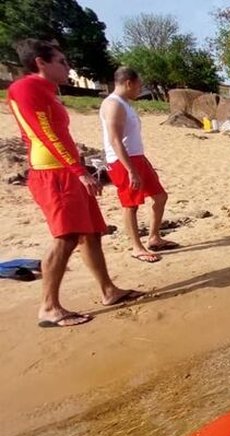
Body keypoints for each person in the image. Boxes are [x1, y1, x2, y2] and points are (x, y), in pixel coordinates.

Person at [7, 39, 140, 327]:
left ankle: (109, 290)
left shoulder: (48, 91)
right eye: (62, 61)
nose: (68, 67)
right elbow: (46, 135)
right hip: (52, 173)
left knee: (90, 233)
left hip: (67, 170)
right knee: (65, 236)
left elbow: (57, 134)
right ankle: (49, 307)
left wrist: (81, 170)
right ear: (41, 63)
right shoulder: (25, 88)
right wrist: (78, 171)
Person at [99, 66, 178, 263]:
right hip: (123, 161)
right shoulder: (113, 104)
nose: (139, 90)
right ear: (129, 83)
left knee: (160, 197)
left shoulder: (125, 103)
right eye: (138, 85)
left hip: (138, 157)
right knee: (130, 204)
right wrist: (131, 170)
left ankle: (154, 237)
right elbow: (115, 140)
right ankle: (136, 247)